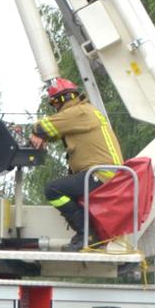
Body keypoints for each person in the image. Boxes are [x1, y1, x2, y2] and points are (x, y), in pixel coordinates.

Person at [29, 78, 124, 250]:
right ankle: (87, 231)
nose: (55, 108)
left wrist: (37, 133)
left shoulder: (78, 113)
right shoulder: (84, 112)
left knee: (53, 190)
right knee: (66, 187)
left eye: (54, 104)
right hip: (104, 174)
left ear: (61, 100)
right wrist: (44, 137)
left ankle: (86, 234)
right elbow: (56, 131)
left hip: (101, 175)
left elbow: (45, 126)